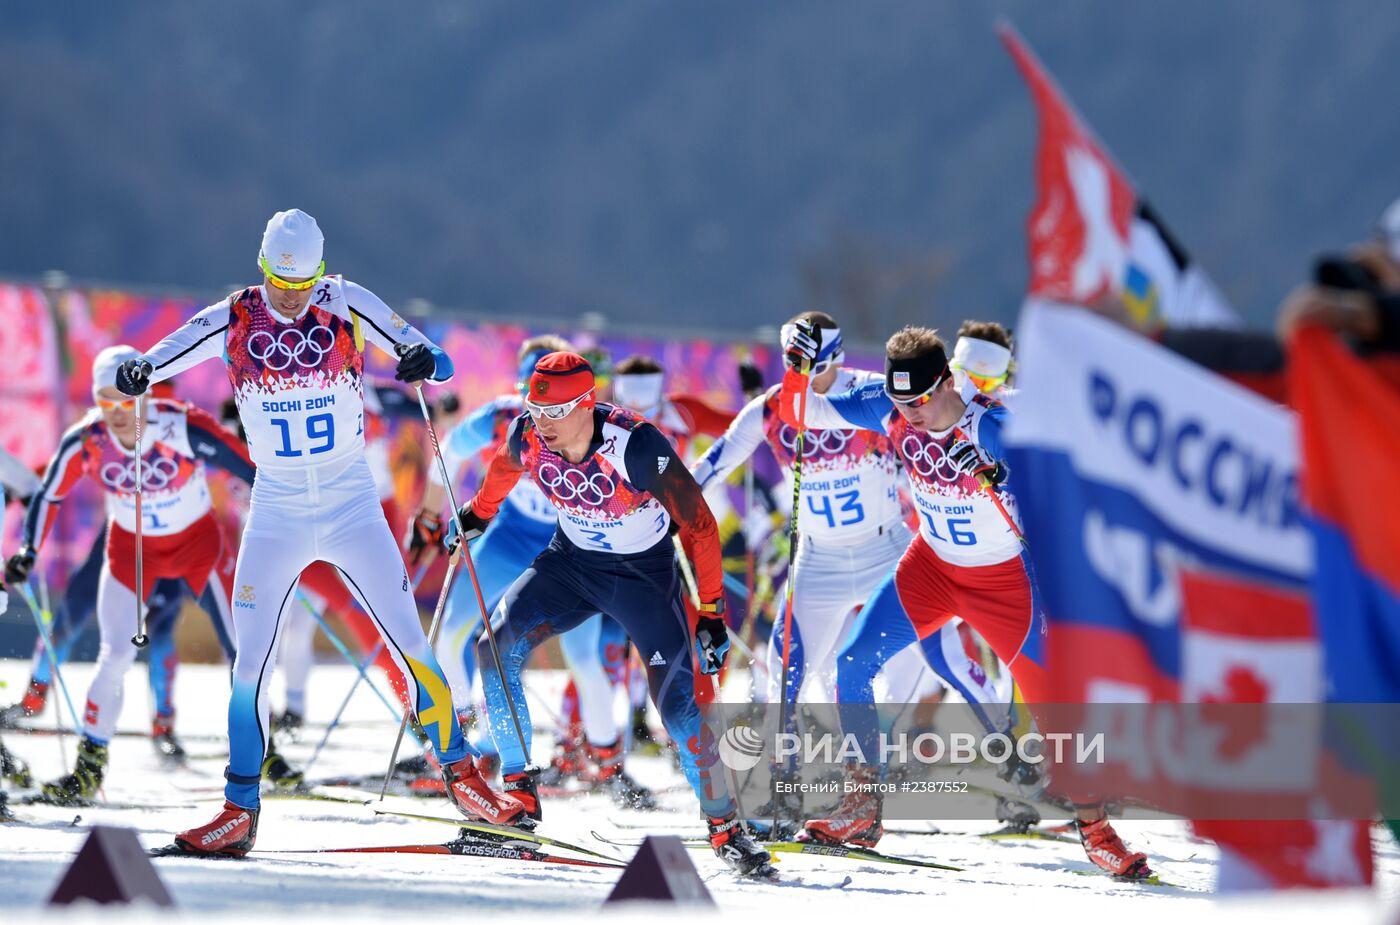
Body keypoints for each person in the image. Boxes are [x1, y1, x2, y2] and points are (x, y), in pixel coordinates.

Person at [114, 208, 522, 856]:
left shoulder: (346, 300)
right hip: (274, 510)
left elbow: (435, 359)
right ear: (263, 267)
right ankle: (237, 808)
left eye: (302, 287)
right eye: (281, 284)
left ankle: (466, 779)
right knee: (250, 666)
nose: (290, 299)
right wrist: (141, 369)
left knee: (410, 643)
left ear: (319, 275)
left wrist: (421, 356)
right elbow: (170, 349)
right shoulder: (238, 311)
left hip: (350, 504)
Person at [780, 322, 1151, 880]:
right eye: (902, 400)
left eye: (924, 400)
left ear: (949, 381)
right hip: (930, 568)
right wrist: (797, 367)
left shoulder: (991, 425)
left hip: (1002, 581)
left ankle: (1097, 832)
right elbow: (797, 411)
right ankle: (861, 806)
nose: (912, 413)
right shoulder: (888, 407)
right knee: (853, 663)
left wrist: (1007, 478)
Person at [451, 350, 775, 877]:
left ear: (586, 405)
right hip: (570, 564)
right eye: (535, 410)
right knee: (493, 647)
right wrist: (478, 515)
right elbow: (504, 467)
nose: (543, 424)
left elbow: (700, 526)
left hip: (643, 578)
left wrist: (712, 614)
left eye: (554, 412)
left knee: (677, 712)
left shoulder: (637, 445)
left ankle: (727, 827)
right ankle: (519, 794)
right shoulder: (530, 435)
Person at [693, 312, 1009, 834]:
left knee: (941, 656)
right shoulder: (772, 408)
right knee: (783, 668)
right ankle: (786, 786)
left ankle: (1012, 759)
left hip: (887, 549)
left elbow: (953, 407)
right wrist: (660, 498)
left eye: (808, 363)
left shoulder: (872, 393)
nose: (801, 374)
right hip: (818, 560)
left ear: (834, 356)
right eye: (792, 362)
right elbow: (714, 464)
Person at [4, 346, 250, 803]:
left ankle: (260, 756)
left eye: (127, 398)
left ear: (147, 393)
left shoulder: (180, 425)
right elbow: (50, 495)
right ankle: (89, 768)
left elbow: (249, 466)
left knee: (243, 651)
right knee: (114, 653)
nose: (117, 412)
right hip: (132, 553)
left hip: (198, 547)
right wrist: (28, 550)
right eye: (106, 401)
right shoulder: (88, 439)